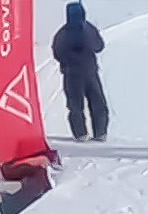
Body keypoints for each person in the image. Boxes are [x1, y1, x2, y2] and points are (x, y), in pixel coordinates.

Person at [52, 2, 109, 141]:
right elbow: (99, 46)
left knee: (75, 106)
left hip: (71, 74)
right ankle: (100, 132)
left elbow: (57, 53)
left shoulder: (62, 33)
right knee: (97, 103)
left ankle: (80, 134)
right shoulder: (89, 28)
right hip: (90, 73)